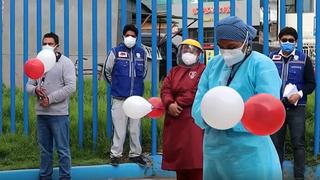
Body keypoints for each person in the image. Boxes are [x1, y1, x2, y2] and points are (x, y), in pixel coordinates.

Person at [191, 16, 282, 179]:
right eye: (221, 47)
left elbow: (268, 110)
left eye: (232, 47)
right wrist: (209, 116)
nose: (226, 52)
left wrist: (229, 119)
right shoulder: (213, 65)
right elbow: (199, 105)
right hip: (215, 152)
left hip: (250, 152)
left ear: (246, 41)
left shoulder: (262, 65)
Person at [26, 32, 76, 180]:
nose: (47, 46)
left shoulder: (65, 63)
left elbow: (71, 87)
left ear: (57, 46)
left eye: (50, 43)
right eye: (45, 43)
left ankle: (65, 177)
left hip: (59, 115)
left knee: (62, 149)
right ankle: (45, 176)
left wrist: (50, 98)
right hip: (41, 114)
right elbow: (28, 86)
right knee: (45, 150)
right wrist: (36, 90)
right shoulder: (37, 62)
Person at [270, 27, 316, 179]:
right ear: (279, 41)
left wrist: (299, 94)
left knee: (298, 144)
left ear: (296, 42)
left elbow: (311, 84)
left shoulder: (304, 59)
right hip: (277, 108)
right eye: (284, 40)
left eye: (291, 40)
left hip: (297, 108)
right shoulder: (271, 58)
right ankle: (276, 175)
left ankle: (299, 177)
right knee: (276, 144)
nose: (287, 43)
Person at [103, 24, 147, 166]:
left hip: (136, 99)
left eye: (133, 36)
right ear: (123, 36)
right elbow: (106, 71)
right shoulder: (115, 52)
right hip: (119, 97)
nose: (130, 38)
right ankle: (115, 154)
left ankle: (135, 154)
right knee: (119, 128)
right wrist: (117, 84)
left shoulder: (142, 53)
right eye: (128, 35)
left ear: (136, 38)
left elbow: (144, 73)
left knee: (135, 129)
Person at [160, 39, 205, 180]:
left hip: (193, 119)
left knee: (195, 157)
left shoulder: (203, 70)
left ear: (198, 55)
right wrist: (169, 104)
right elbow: (165, 89)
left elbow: (198, 91)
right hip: (175, 119)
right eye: (185, 50)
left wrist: (177, 102)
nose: (188, 53)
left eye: (192, 51)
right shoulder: (174, 71)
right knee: (179, 160)